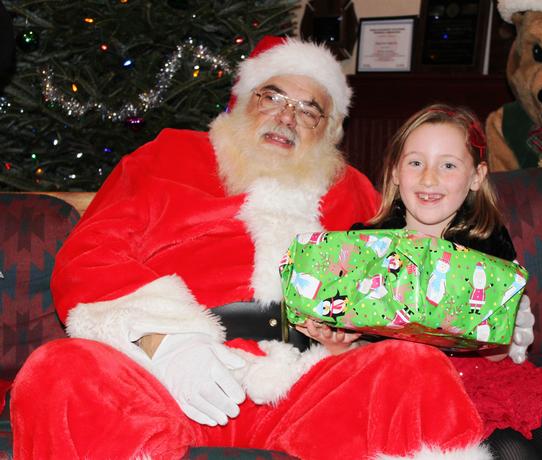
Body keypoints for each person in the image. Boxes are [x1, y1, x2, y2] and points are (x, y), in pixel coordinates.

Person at [11, 38, 494, 459]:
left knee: (414, 369)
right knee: (57, 371)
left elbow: (399, 291)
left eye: (310, 110)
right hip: (167, 375)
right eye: (273, 96)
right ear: (242, 101)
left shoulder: (353, 190)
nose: (287, 116)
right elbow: (87, 259)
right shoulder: (166, 156)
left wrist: (352, 335)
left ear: (328, 131)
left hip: (304, 386)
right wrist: (168, 342)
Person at [339, 103, 542, 460]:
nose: (429, 178)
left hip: (491, 376)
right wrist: (340, 341)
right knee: (511, 452)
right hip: (417, 386)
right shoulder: (367, 245)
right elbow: (350, 345)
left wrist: (495, 335)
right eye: (415, 162)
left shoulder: (489, 242)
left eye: (449, 165)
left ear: (476, 176)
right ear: (395, 171)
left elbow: (507, 341)